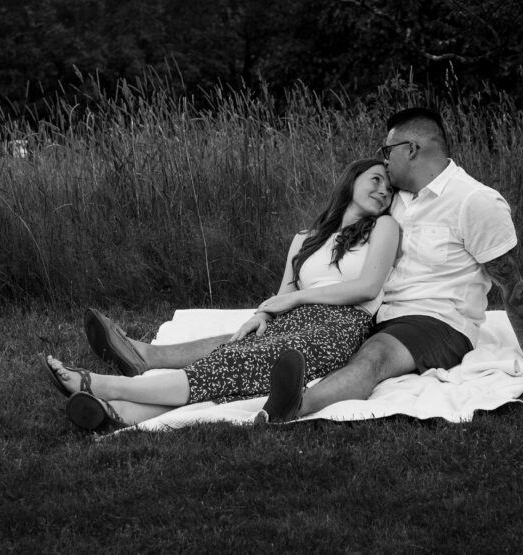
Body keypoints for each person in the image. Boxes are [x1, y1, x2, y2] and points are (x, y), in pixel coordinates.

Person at [260, 107, 523, 424]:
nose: (383, 160)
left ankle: (294, 407)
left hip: (436, 321)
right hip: (374, 312)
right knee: (294, 335)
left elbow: (511, 282)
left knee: (375, 357)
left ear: (411, 149)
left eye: (387, 150)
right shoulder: (392, 199)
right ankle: (232, 372)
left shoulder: (474, 201)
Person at [43, 158, 399, 430]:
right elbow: (280, 296)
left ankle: (105, 386)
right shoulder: (306, 238)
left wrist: (297, 299)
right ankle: (117, 415)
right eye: (376, 180)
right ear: (351, 180)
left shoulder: (384, 226)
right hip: (289, 319)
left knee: (242, 363)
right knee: (236, 356)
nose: (384, 191)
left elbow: (367, 287)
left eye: (389, 188)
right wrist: (261, 316)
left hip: (341, 323)